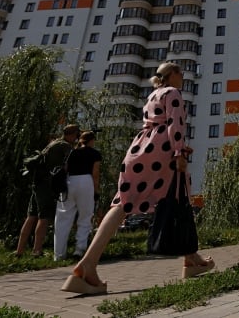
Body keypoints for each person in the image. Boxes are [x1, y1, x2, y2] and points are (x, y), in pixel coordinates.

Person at [61, 62, 214, 295]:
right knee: (179, 197)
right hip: (162, 150)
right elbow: (176, 125)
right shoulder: (172, 93)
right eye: (180, 73)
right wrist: (179, 153)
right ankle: (87, 267)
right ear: (171, 75)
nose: (183, 77)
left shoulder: (153, 94)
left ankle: (191, 258)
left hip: (140, 148)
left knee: (125, 202)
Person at [16, 124, 80, 257]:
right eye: (77, 135)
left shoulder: (54, 142)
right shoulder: (65, 146)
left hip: (37, 183)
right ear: (72, 134)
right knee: (44, 217)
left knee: (31, 216)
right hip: (46, 185)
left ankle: (19, 251)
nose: (77, 138)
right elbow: (71, 165)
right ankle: (37, 251)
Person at [53, 130, 102, 261]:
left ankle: (58, 254)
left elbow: (65, 168)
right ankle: (79, 250)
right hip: (86, 182)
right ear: (91, 140)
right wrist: (96, 191)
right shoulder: (95, 153)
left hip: (69, 182)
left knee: (63, 218)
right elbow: (95, 174)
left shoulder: (72, 152)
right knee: (85, 216)